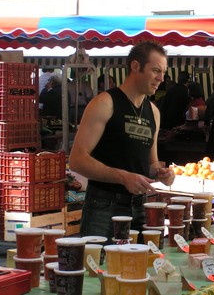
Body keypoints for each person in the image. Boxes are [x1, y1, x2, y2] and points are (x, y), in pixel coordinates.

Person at [69, 40, 175, 241]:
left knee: (140, 267)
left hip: (140, 206)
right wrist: (123, 177)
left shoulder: (153, 111)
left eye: (163, 71)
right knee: (99, 266)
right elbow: (77, 160)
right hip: (104, 205)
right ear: (135, 66)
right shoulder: (104, 103)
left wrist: (162, 173)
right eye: (155, 70)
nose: (161, 78)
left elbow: (151, 163)